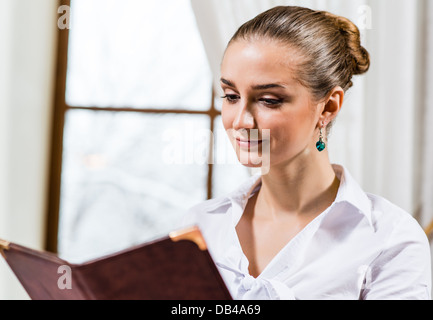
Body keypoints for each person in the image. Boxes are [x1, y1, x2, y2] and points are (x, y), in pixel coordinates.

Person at [182, 6, 431, 300]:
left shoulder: (390, 238)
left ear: (327, 107)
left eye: (269, 100)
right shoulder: (199, 228)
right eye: (231, 96)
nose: (240, 121)